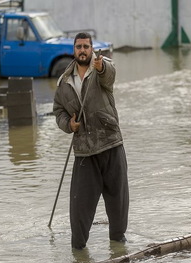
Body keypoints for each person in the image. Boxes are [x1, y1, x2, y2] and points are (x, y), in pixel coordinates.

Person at [53, 32, 129, 249]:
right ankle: (79, 252)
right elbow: (58, 111)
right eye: (79, 47)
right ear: (73, 50)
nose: (83, 50)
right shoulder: (64, 82)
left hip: (111, 143)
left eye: (86, 46)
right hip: (84, 151)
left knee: (118, 202)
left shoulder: (101, 68)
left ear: (92, 48)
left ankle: (118, 246)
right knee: (79, 207)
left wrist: (101, 66)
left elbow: (110, 75)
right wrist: (69, 125)